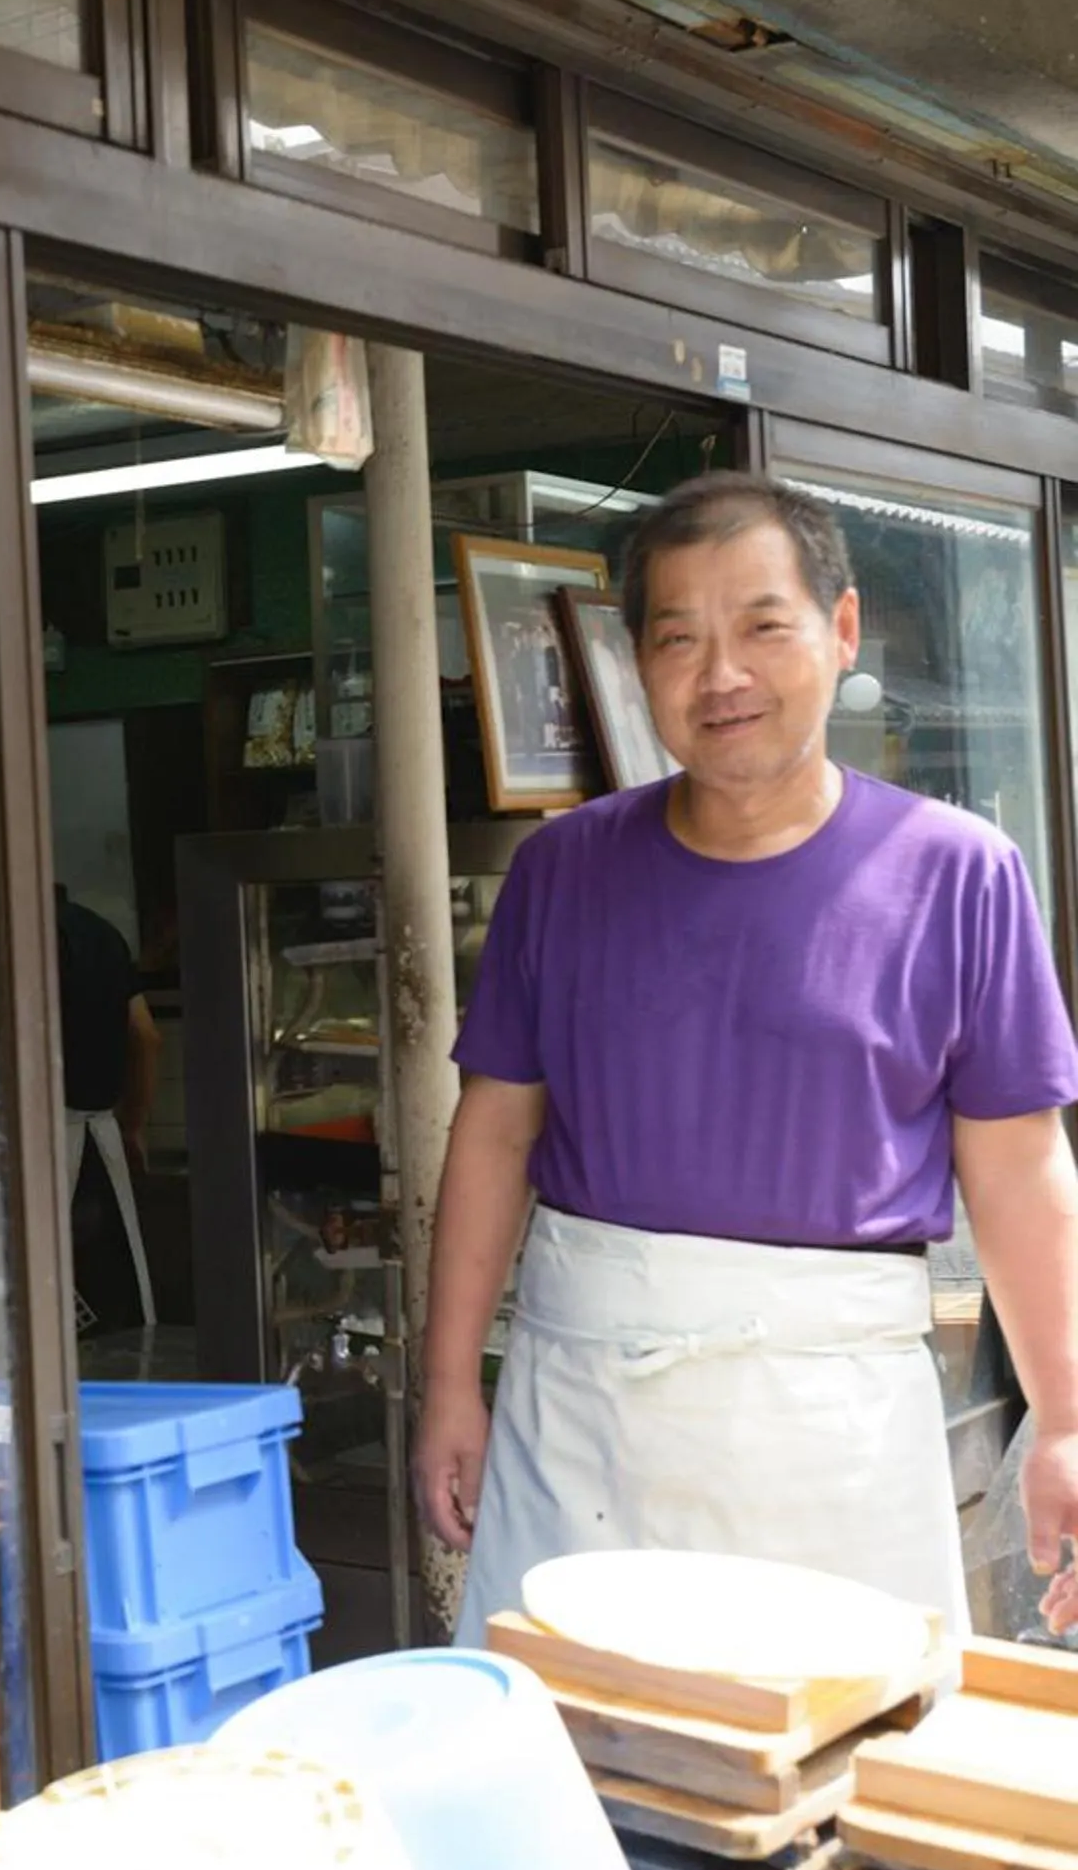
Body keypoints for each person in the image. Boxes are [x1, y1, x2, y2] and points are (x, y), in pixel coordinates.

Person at [412, 473, 1078, 1641]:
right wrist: (449, 1382)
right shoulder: (561, 872)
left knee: (844, 1769)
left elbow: (1020, 1170)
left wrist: (1067, 1423)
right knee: (575, 1764)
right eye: (680, 638)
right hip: (583, 1415)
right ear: (638, 664)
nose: (722, 675)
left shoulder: (959, 874)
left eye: (764, 626)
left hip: (839, 1427)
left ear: (842, 630)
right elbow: (494, 1131)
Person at [56, 882, 164, 1326]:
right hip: (101, 1132)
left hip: (40, 1138)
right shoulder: (100, 933)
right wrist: (133, 1123)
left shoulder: (5, 936)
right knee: (118, 1297)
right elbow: (147, 1036)